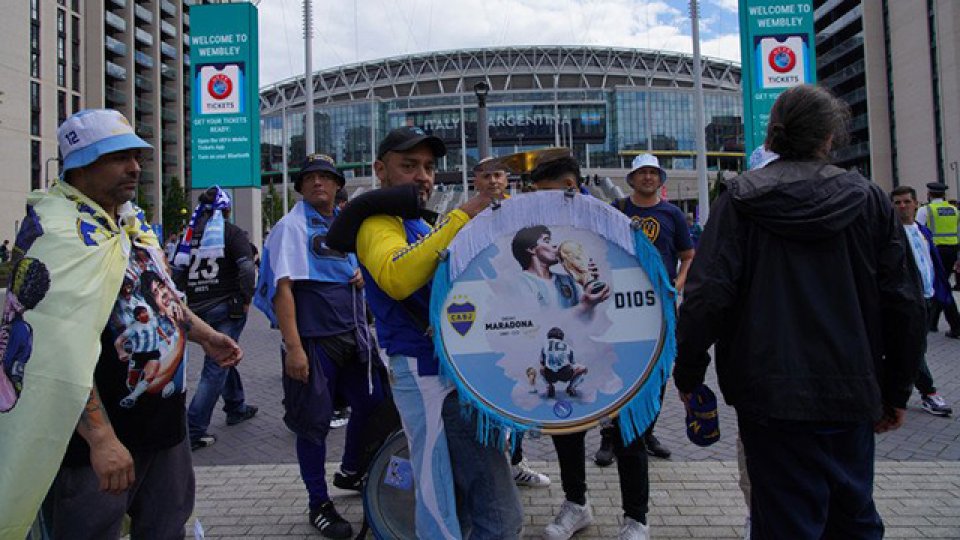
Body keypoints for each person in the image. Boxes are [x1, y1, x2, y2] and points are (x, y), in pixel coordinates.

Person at [673, 85, 925, 539]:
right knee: (853, 516)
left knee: (785, 521)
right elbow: (905, 303)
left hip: (768, 396)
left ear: (772, 137)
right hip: (851, 391)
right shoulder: (869, 200)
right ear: (830, 137)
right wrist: (896, 390)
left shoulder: (740, 200)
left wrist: (689, 374)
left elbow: (706, 296)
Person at [0, 109, 243, 539]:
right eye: (117, 157)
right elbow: (54, 347)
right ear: (78, 165)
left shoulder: (130, 223)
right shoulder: (56, 235)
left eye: (136, 155)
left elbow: (155, 292)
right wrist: (100, 438)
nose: (134, 167)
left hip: (165, 426)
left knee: (168, 528)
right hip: (100, 441)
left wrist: (204, 335)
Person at [352, 127, 522, 539]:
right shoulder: (376, 222)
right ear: (380, 170)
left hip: (447, 368)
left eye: (428, 167)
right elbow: (396, 276)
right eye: (409, 166)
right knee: (445, 497)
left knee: (464, 498)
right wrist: (465, 214)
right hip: (422, 367)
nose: (423, 176)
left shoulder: (416, 224)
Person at [254, 153, 386, 538]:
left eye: (326, 177)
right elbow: (282, 288)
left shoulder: (346, 224)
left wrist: (362, 271)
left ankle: (349, 470)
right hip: (315, 344)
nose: (318, 184)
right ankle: (318, 502)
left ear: (337, 184)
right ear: (300, 186)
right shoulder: (290, 227)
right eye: (311, 178)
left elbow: (361, 265)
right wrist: (293, 347)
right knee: (312, 425)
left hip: (355, 337)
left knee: (374, 403)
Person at [526, 154, 651, 540]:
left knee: (628, 430)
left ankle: (636, 519)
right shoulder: (545, 235)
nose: (537, 202)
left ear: (568, 187)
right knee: (568, 427)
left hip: (618, 342)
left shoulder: (609, 223)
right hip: (574, 340)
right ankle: (576, 504)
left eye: (544, 194)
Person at [600, 153, 694, 463]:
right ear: (632, 179)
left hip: (662, 307)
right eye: (642, 173)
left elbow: (687, 255)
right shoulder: (619, 210)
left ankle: (646, 429)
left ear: (660, 178)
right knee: (619, 368)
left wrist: (676, 285)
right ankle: (611, 436)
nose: (648, 178)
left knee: (657, 371)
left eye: (653, 173)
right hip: (624, 306)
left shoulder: (672, 214)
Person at [474, 157, 552, 489]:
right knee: (490, 390)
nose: (493, 181)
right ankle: (493, 465)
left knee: (523, 388)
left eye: (498, 175)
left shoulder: (521, 214)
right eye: (486, 176)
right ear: (476, 181)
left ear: (507, 179)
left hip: (525, 316)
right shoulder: (466, 217)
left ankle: (516, 462)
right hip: (489, 314)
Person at [172, 186, 258, 451]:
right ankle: (194, 429)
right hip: (226, 306)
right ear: (227, 210)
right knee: (216, 366)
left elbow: (176, 273)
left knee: (224, 355)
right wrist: (246, 299)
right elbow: (245, 268)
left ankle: (235, 406)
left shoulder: (188, 237)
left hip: (197, 309)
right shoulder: (231, 233)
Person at [891, 186, 954, 416]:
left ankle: (895, 392)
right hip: (906, 300)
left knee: (913, 348)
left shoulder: (923, 231)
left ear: (917, 204)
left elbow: (930, 262)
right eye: (897, 203)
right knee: (914, 348)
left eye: (906, 202)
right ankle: (928, 392)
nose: (902, 207)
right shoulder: (890, 233)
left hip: (928, 296)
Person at [916, 182, 960, 334]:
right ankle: (932, 322)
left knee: (942, 286)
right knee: (940, 285)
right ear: (944, 195)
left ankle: (956, 325)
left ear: (929, 194)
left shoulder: (925, 210)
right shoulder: (954, 210)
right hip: (952, 251)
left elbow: (918, 233)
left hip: (935, 252)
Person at [539, 327, 586, 398]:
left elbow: (542, 361)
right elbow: (572, 362)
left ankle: (549, 386)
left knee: (541, 369)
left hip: (550, 375)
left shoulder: (545, 345)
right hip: (565, 373)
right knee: (583, 369)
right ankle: (571, 387)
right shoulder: (567, 346)